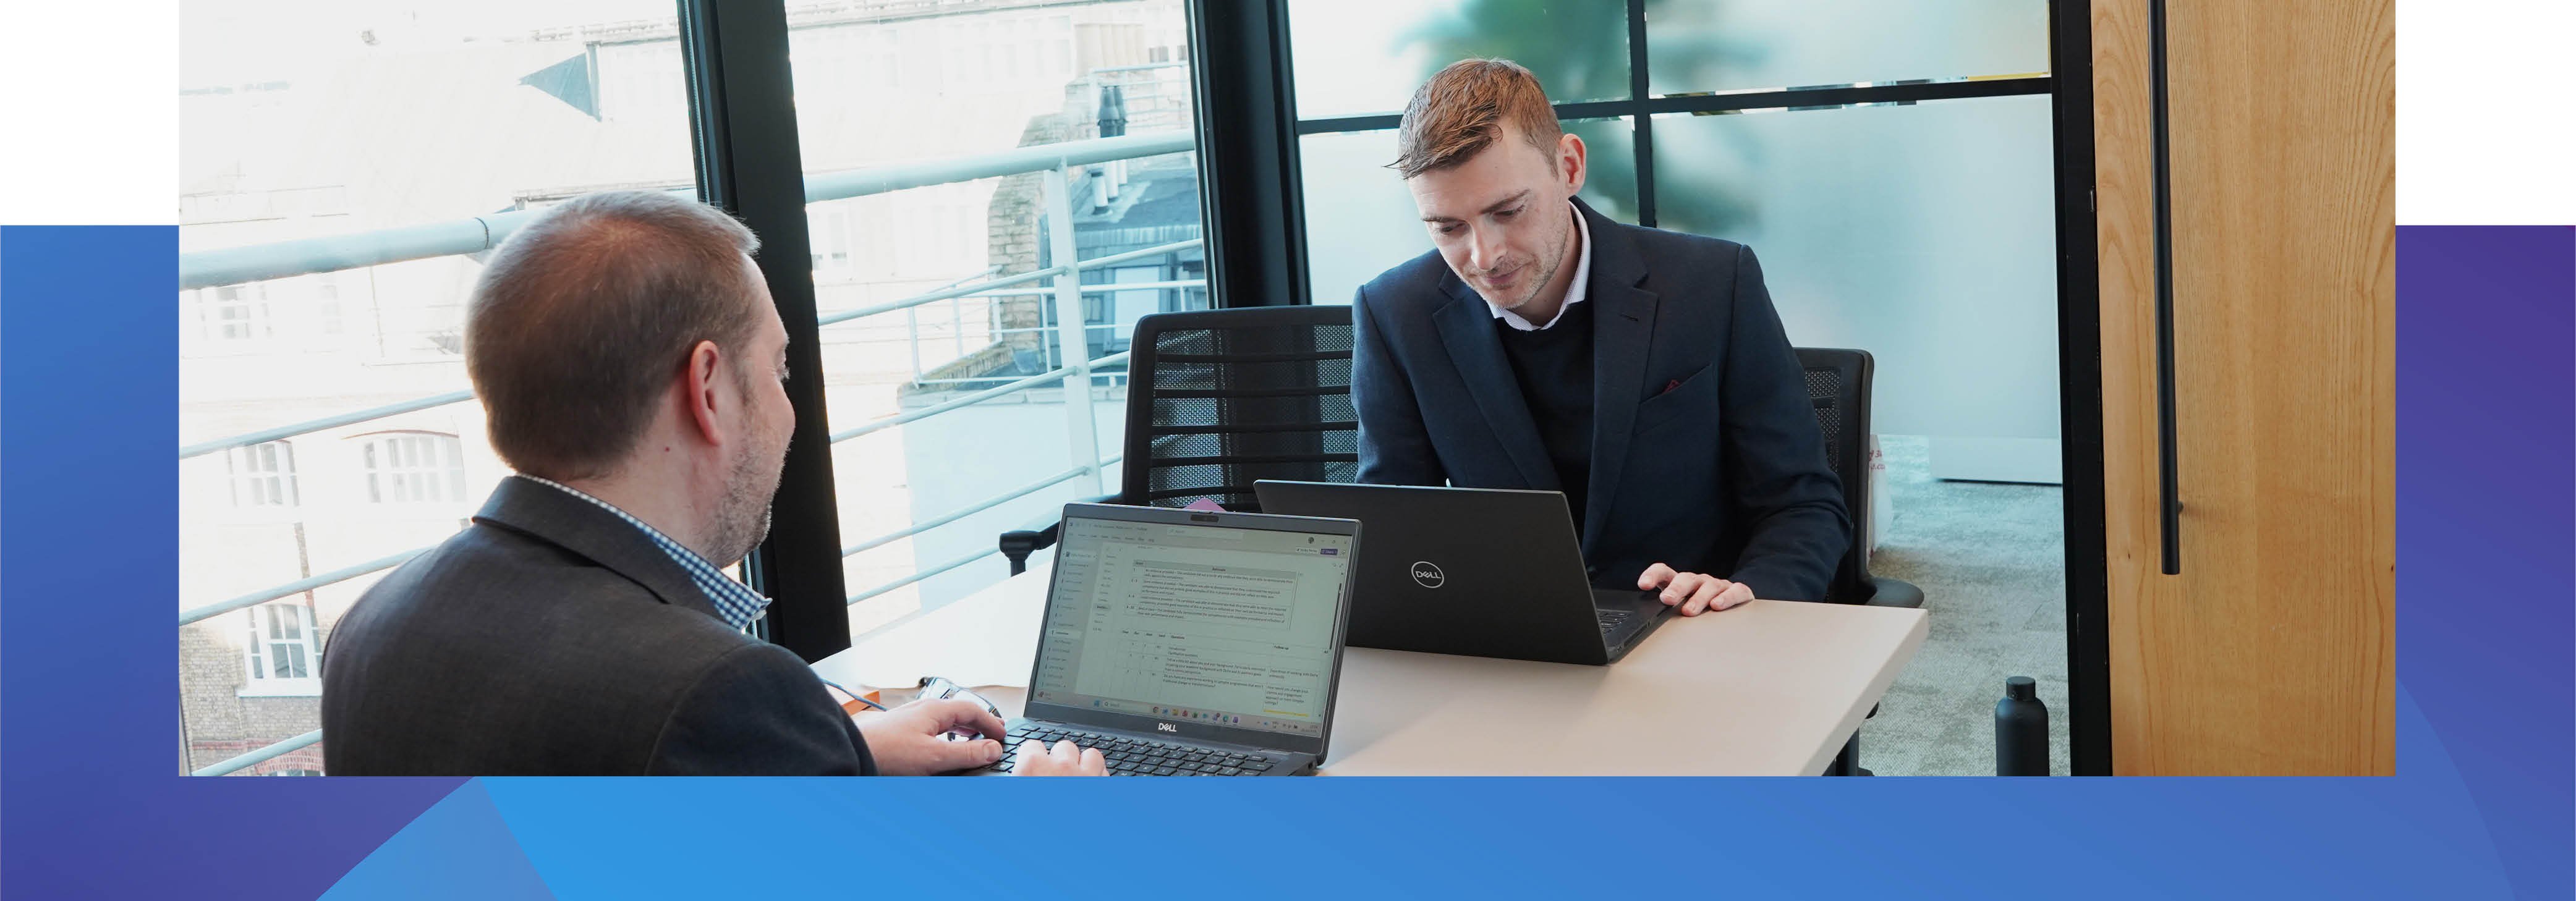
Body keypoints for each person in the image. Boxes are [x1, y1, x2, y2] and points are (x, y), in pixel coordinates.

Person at [319, 190, 1103, 776]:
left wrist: (833, 758)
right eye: (778, 368)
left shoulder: (374, 626)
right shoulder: (714, 690)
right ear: (708, 388)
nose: (791, 411)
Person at [1350, 59, 1849, 615]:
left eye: (1508, 211)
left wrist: (1751, 595)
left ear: (1568, 166)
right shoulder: (1394, 313)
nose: (1484, 255)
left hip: (1693, 629)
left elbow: (1801, 504)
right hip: (1515, 638)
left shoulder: (1712, 284)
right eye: (1447, 227)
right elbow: (1393, 525)